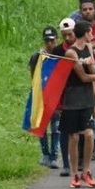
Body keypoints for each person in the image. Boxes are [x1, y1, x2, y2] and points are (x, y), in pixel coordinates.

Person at [60, 21, 95, 188]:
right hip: (72, 98)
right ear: (85, 33)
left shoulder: (88, 47)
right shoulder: (71, 52)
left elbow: (92, 73)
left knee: (88, 134)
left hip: (87, 97)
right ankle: (74, 174)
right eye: (90, 32)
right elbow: (83, 77)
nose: (92, 35)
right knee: (73, 136)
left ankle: (87, 171)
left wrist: (92, 66)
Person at [28, 26, 60, 170]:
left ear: (56, 40)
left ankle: (54, 156)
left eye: (52, 40)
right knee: (41, 127)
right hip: (41, 96)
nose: (49, 43)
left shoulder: (61, 55)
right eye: (47, 40)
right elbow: (33, 76)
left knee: (55, 128)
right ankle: (45, 154)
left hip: (56, 96)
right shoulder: (37, 56)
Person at [51, 18, 77, 177]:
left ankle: (79, 161)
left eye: (70, 35)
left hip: (80, 92)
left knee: (81, 131)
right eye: (64, 35)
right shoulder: (57, 51)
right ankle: (66, 165)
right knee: (65, 129)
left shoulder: (80, 48)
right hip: (64, 95)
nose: (67, 38)